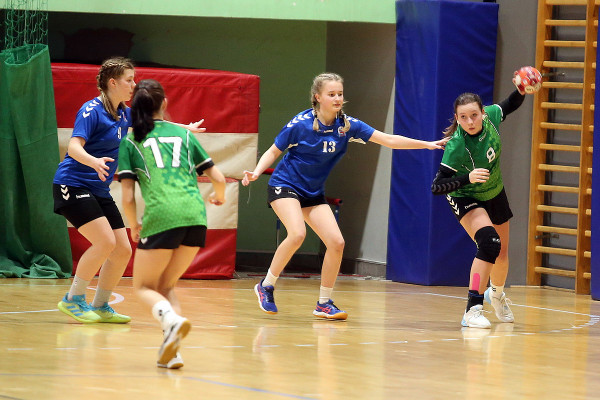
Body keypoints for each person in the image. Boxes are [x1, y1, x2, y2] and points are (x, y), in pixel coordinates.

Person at [242, 72, 448, 320]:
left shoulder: (348, 126)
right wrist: (256, 172)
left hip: (312, 192)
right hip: (285, 185)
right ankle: (266, 285)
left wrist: (427, 144)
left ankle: (324, 303)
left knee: (337, 243)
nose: (337, 98)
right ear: (318, 97)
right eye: (331, 94)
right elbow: (273, 151)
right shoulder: (300, 124)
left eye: (340, 94)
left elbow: (388, 140)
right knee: (297, 234)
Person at [118, 79, 226, 369]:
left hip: (162, 216)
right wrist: (219, 197)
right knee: (165, 286)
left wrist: (133, 225)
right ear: (164, 103)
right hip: (196, 217)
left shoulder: (131, 141)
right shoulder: (184, 135)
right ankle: (173, 352)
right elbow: (217, 178)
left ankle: (171, 320)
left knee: (143, 286)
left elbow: (127, 197)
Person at [430, 70, 537, 329]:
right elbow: (437, 186)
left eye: (474, 115)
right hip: (465, 195)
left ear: (482, 113)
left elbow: (509, 105)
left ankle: (496, 294)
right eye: (463, 117)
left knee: (501, 254)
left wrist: (522, 90)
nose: (470, 121)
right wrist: (467, 178)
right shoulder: (457, 145)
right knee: (489, 243)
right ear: (457, 118)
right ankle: (472, 309)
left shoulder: (491, 117)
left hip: (494, 190)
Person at [53, 57, 137, 324]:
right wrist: (94, 161)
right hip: (72, 184)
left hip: (98, 189)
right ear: (113, 82)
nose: (133, 85)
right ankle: (73, 298)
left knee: (122, 250)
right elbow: (73, 146)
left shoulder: (124, 112)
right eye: (129, 80)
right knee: (105, 242)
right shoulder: (91, 110)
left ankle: (100, 305)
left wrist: (185, 130)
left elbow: (153, 124)